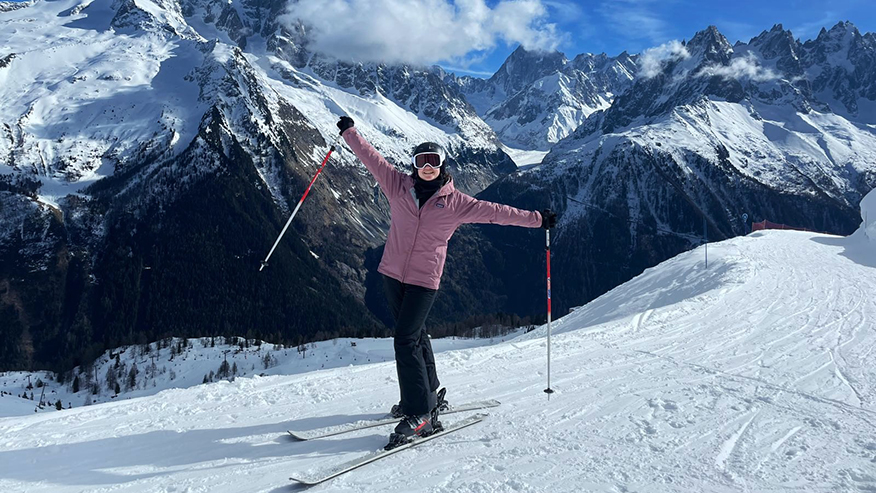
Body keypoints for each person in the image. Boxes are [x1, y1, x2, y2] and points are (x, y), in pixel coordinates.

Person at [336, 116, 557, 445]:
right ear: (414, 165)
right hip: (391, 275)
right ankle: (429, 394)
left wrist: (537, 220)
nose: (427, 167)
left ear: (442, 165)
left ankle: (419, 413)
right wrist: (349, 133)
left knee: (405, 339)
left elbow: (497, 212)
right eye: (421, 161)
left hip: (425, 280)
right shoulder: (397, 185)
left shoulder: (457, 203)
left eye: (433, 161)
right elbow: (371, 158)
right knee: (416, 335)